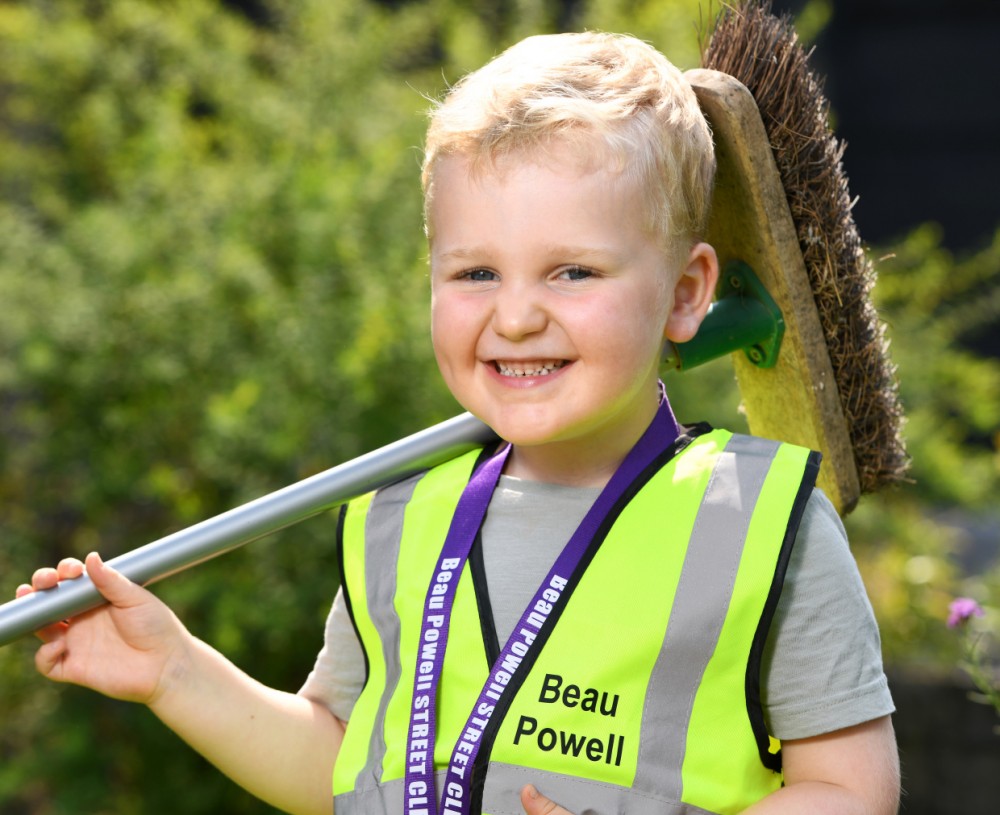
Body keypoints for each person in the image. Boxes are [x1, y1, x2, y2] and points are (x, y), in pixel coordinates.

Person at [17, 31, 900, 815]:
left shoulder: (760, 519)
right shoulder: (399, 516)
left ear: (685, 293)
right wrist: (174, 668)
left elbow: (854, 789)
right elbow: (341, 762)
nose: (515, 317)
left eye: (573, 273)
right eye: (476, 274)